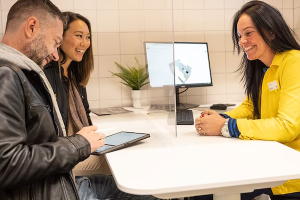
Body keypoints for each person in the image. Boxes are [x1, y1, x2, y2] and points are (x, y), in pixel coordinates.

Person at [0, 1, 159, 200]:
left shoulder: (25, 75)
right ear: (31, 27)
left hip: (66, 182)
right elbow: (7, 165)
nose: (55, 55)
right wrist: (79, 143)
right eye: (55, 43)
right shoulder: (6, 75)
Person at [194, 1, 300, 200]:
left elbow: (287, 126)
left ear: (271, 31)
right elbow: (251, 106)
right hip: (271, 159)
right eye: (240, 36)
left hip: (291, 173)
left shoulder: (294, 63)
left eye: (248, 33)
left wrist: (226, 126)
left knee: (208, 192)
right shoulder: (263, 67)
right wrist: (218, 118)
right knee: (203, 187)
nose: (242, 41)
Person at [44, 11, 111, 176]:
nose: (85, 43)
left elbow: (86, 118)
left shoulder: (75, 76)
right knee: (116, 163)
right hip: (62, 157)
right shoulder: (47, 74)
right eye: (79, 36)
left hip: (80, 148)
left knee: (118, 155)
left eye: (88, 37)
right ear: (60, 37)